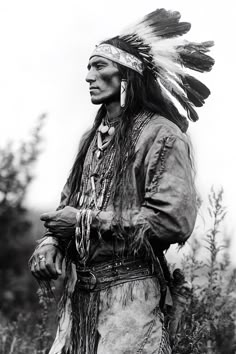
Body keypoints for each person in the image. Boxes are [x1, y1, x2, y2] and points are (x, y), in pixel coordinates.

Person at [29, 8, 214, 354]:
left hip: (130, 303)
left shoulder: (163, 136)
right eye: (88, 66)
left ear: (127, 75)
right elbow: (68, 207)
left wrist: (84, 222)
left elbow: (172, 221)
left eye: (100, 66)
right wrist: (51, 242)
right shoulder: (91, 137)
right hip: (78, 303)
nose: (89, 76)